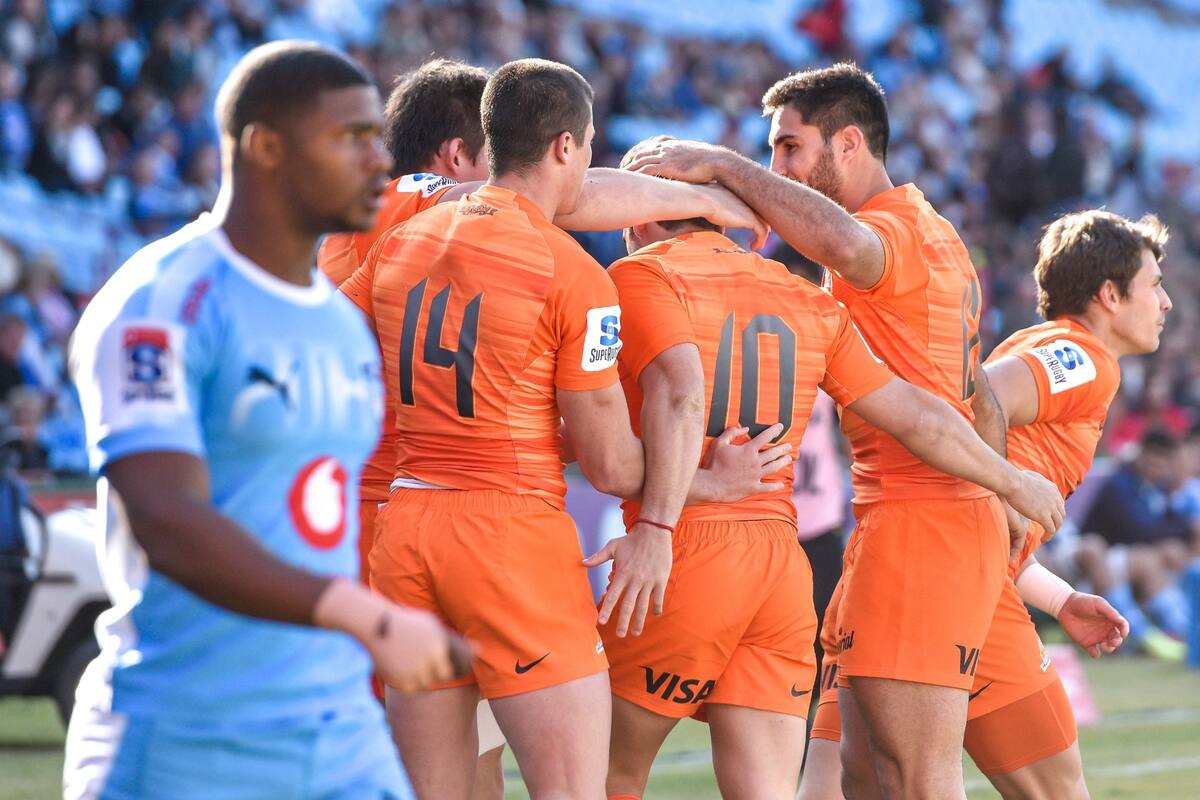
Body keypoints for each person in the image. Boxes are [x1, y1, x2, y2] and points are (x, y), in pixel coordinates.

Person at [340, 59, 778, 800]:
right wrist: (706, 484)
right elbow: (609, 465)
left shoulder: (397, 233)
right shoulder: (577, 276)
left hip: (402, 528)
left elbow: (336, 337)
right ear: (568, 147)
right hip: (508, 534)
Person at [623, 63, 1064, 798]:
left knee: (915, 779)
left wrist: (721, 164)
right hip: (923, 518)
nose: (775, 169)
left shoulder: (883, 237)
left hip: (923, 523)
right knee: (848, 775)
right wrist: (1004, 490)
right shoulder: (938, 233)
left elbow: (851, 250)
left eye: (789, 149)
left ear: (849, 143)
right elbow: (975, 391)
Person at [63, 41, 461, 800]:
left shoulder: (340, 324)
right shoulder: (161, 300)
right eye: (349, 137)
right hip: (188, 730)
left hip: (339, 726)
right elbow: (166, 517)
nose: (377, 160)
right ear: (266, 148)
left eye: (377, 136)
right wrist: (368, 619)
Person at [801, 210, 1170, 799]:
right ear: (1110, 294)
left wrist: (1060, 597)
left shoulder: (1045, 344)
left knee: (846, 788)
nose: (1166, 302)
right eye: (1154, 285)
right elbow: (982, 394)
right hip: (952, 584)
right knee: (1055, 789)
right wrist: (1008, 485)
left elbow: (983, 514)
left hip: (887, 561)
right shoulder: (1085, 359)